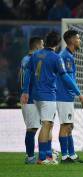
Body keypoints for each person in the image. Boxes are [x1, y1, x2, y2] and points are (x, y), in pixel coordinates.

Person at [20, 31, 83, 165]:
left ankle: (48, 156)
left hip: (35, 95)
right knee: (46, 124)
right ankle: (43, 157)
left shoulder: (35, 55)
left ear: (45, 42)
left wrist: (25, 91)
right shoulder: (56, 58)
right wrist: (79, 93)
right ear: (57, 44)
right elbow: (65, 77)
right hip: (48, 95)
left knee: (48, 124)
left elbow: (28, 73)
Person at [57, 30, 83, 163]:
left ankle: (72, 155)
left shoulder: (67, 55)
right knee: (65, 126)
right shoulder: (66, 56)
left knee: (69, 126)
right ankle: (65, 157)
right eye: (78, 38)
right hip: (63, 96)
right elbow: (67, 79)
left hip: (66, 96)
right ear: (71, 40)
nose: (79, 40)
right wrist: (80, 95)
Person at [20, 36, 44, 164]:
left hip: (29, 97)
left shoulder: (25, 59)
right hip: (30, 98)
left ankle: (32, 155)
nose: (43, 47)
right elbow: (29, 79)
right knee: (32, 128)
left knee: (33, 127)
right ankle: (30, 157)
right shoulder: (31, 60)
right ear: (38, 46)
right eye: (42, 44)